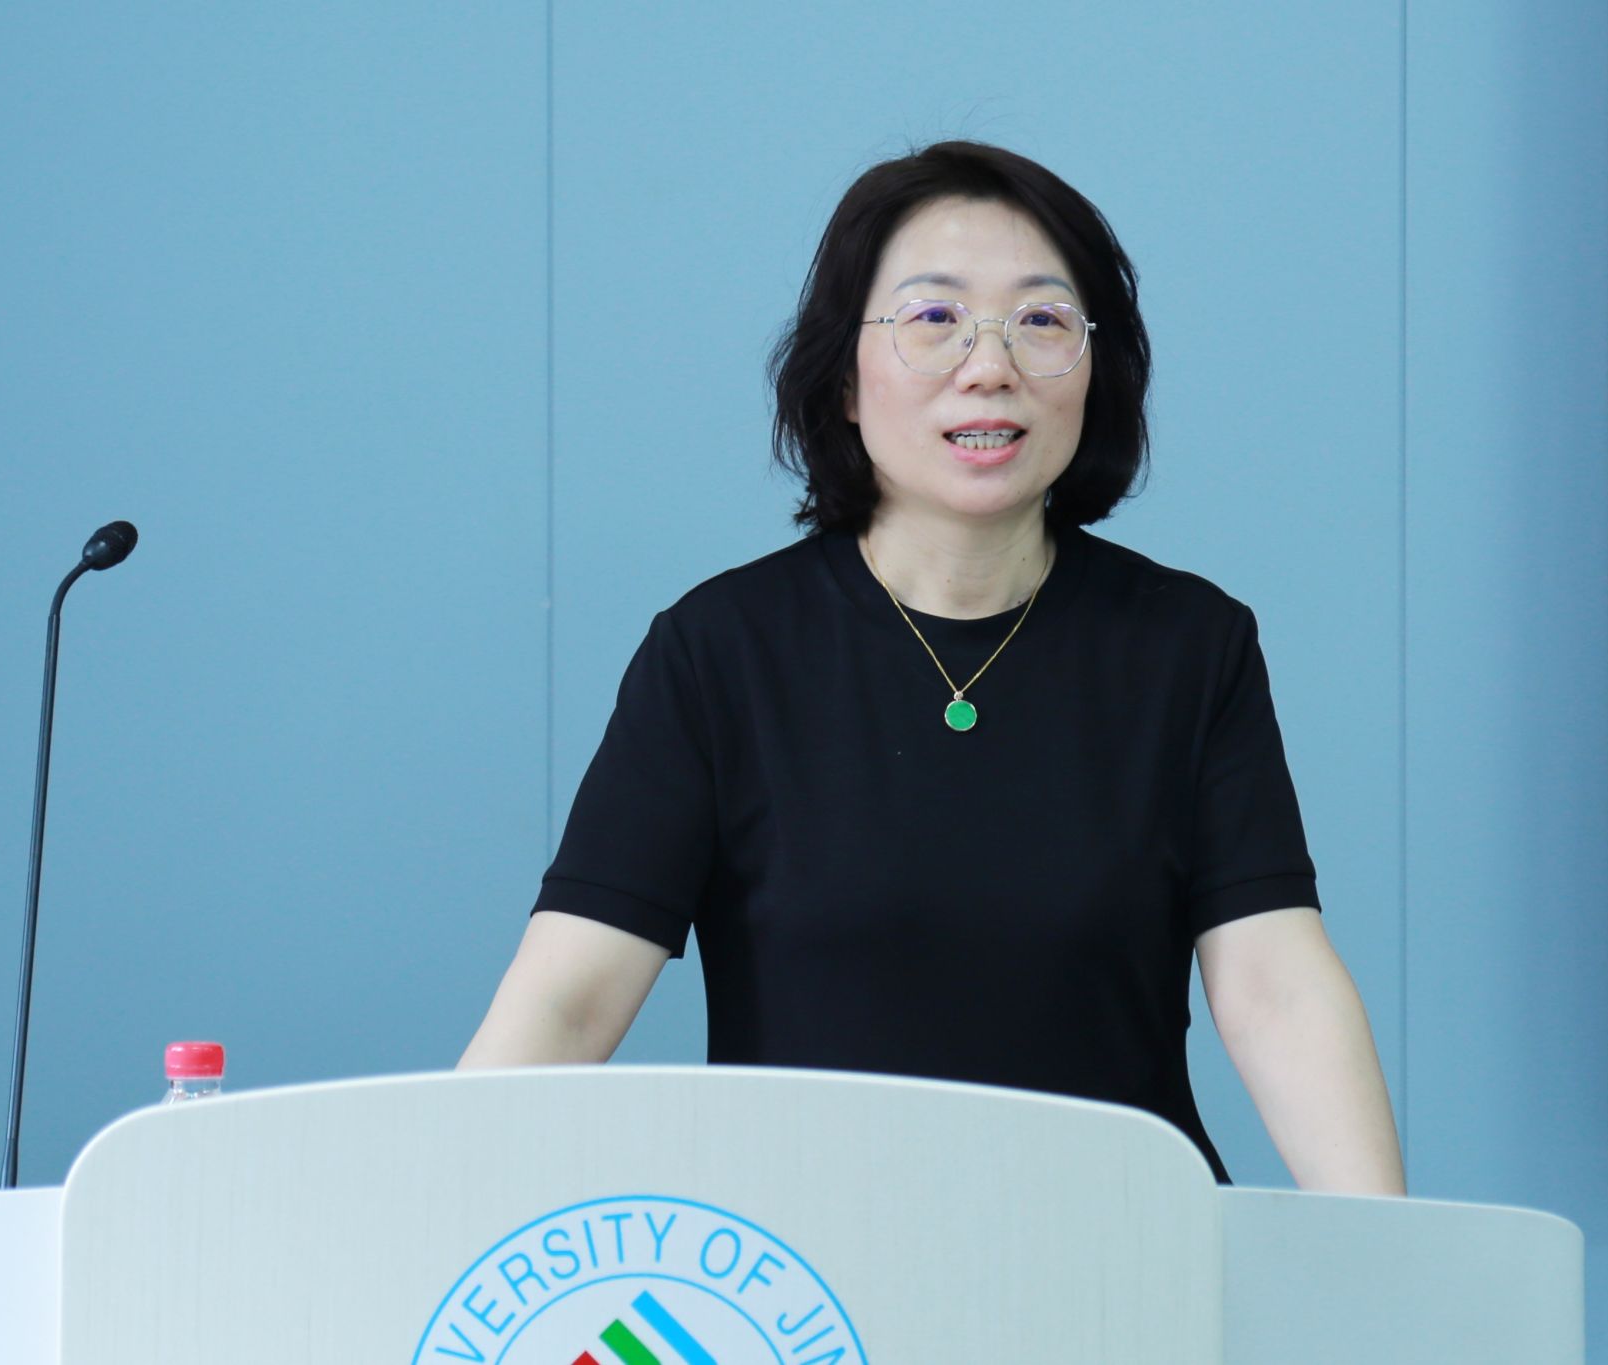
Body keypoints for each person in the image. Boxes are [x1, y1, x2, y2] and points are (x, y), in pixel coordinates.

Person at [459, 141, 1404, 1195]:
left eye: (1041, 320)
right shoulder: (720, 653)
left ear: (1096, 370)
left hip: (1121, 1249)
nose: (989, 364)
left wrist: (1386, 1247)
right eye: (934, 317)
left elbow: (1275, 986)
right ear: (845, 379)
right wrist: (434, 1213)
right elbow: (569, 998)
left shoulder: (1188, 646)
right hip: (814, 1262)